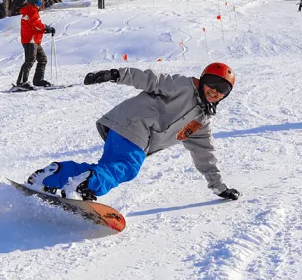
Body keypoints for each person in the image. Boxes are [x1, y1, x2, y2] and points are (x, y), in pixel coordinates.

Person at [26, 62, 241, 202]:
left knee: (109, 168)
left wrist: (219, 187)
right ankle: (84, 185)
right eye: (212, 83)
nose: (214, 91)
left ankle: (53, 176)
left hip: (125, 129)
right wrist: (114, 74)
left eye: (222, 89)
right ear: (203, 80)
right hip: (136, 123)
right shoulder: (183, 86)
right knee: (128, 167)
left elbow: (206, 156)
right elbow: (150, 79)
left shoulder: (201, 123)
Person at [15, 0, 56, 90]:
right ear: (33, 3)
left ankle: (38, 80)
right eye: (38, 3)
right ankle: (21, 82)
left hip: (35, 40)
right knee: (30, 60)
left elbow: (35, 27)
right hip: (30, 40)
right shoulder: (31, 10)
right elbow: (37, 25)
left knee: (42, 59)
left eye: (40, 3)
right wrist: (46, 27)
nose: (39, 5)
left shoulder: (31, 11)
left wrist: (45, 30)